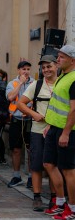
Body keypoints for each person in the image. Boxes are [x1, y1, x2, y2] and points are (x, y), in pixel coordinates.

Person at [17, 55, 58, 212]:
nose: (46, 69)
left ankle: (55, 197)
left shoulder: (62, 83)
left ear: (56, 66)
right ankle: (37, 197)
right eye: (44, 67)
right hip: (38, 131)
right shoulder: (37, 84)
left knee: (53, 165)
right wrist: (34, 114)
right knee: (36, 165)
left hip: (55, 131)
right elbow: (20, 103)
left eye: (49, 66)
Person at [43, 45, 75, 219]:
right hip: (54, 127)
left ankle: (72, 208)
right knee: (49, 164)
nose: (58, 60)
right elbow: (57, 104)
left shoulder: (74, 79)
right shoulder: (64, 76)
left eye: (62, 57)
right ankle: (60, 203)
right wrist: (50, 124)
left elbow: (73, 110)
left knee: (68, 169)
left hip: (67, 131)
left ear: (72, 60)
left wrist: (66, 133)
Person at [6, 60, 34, 187]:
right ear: (19, 70)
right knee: (16, 149)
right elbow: (10, 97)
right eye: (24, 69)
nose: (26, 71)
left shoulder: (34, 83)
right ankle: (16, 176)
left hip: (30, 121)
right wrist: (21, 83)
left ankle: (31, 177)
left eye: (28, 69)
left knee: (31, 150)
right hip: (16, 120)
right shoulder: (13, 83)